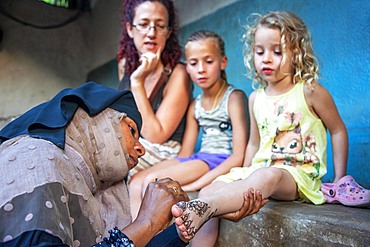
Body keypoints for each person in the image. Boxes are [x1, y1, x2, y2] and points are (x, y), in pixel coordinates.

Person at [171, 11, 349, 244]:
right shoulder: (256, 98)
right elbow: (254, 143)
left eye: (277, 51)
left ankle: (206, 207)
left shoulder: (310, 91)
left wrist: (339, 179)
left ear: (297, 53)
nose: (266, 58)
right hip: (259, 169)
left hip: (296, 176)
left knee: (269, 175)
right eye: (259, 51)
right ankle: (205, 210)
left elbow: (338, 130)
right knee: (210, 188)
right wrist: (242, 177)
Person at [0, 82, 190, 247]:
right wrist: (146, 221)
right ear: (96, 122)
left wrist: (181, 232)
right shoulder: (33, 156)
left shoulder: (86, 186)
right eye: (132, 130)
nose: (142, 149)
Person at [129, 30, 249, 219]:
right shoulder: (196, 104)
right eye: (193, 63)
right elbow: (185, 154)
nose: (201, 69)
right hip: (197, 158)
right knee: (137, 180)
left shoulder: (234, 98)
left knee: (152, 181)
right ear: (187, 67)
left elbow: (239, 156)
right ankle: (135, 238)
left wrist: (195, 185)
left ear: (223, 62)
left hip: (217, 159)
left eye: (208, 62)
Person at [116, 0, 192, 178]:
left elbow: (156, 136)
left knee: (111, 158)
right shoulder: (124, 65)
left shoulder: (178, 73)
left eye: (159, 26)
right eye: (143, 24)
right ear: (130, 29)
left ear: (168, 32)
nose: (151, 33)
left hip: (164, 151)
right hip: (130, 143)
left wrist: (137, 82)